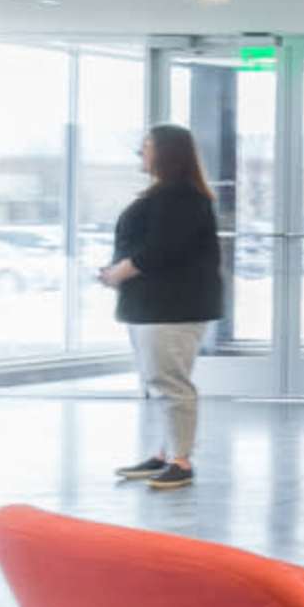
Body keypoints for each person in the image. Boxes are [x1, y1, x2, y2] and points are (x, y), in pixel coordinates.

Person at [100, 125, 224, 494]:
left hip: (171, 306)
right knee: (159, 382)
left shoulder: (182, 197)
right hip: (151, 305)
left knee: (170, 383)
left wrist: (119, 272)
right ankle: (165, 452)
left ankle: (180, 460)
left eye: (147, 146)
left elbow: (161, 250)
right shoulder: (167, 194)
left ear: (167, 152)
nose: (141, 152)